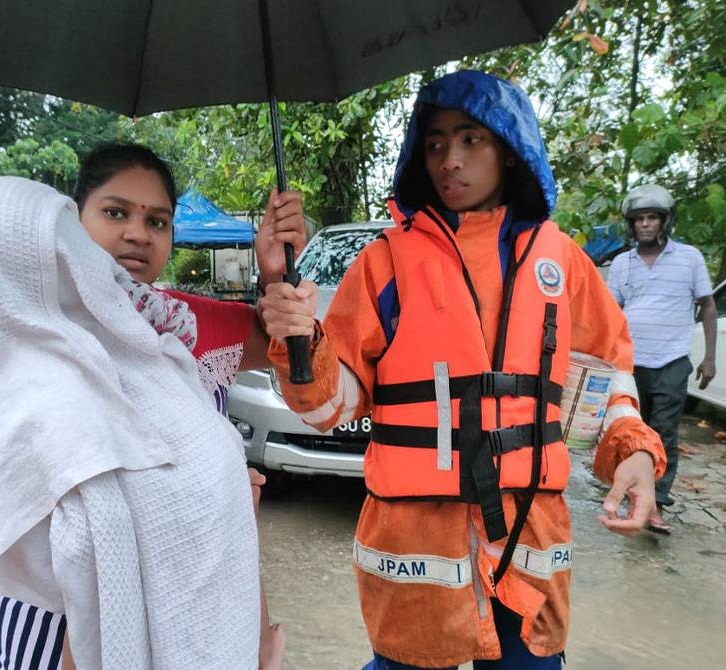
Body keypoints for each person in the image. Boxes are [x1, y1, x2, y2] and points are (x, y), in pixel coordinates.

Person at [258, 70, 667, 669]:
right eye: (435, 142)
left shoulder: (564, 262)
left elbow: (608, 381)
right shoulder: (383, 264)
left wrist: (632, 453)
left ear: (509, 146)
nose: (450, 159)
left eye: (471, 139)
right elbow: (329, 407)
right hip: (414, 548)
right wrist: (298, 337)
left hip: (532, 539)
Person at [0, 167, 298, 669]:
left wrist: (276, 275)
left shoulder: (183, 322)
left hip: (179, 609)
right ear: (72, 223)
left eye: (158, 221)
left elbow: (286, 351)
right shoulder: (23, 338)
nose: (137, 233)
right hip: (43, 613)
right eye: (115, 212)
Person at [607, 184, 717, 534]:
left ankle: (656, 504)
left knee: (664, 433)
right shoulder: (622, 264)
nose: (645, 224)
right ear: (631, 224)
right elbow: (611, 313)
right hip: (630, 363)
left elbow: (708, 305)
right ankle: (632, 495)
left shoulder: (689, 258)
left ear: (665, 221)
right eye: (638, 219)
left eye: (652, 217)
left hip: (671, 361)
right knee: (631, 432)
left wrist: (710, 358)